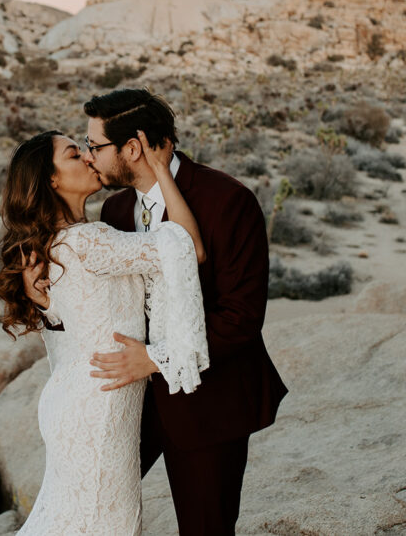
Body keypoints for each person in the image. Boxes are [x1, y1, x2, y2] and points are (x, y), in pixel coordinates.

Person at [77, 88, 288, 536]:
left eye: (95, 146)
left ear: (132, 148)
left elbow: (242, 317)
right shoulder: (116, 209)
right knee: (90, 506)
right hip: (132, 399)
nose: (88, 156)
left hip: (209, 399)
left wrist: (155, 357)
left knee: (205, 528)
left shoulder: (227, 201)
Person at [0, 129, 209, 535]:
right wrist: (162, 170)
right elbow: (186, 247)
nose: (89, 159)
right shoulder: (88, 242)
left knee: (69, 518)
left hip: (69, 398)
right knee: (107, 524)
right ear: (52, 180)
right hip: (100, 407)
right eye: (75, 155)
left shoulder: (41, 251)